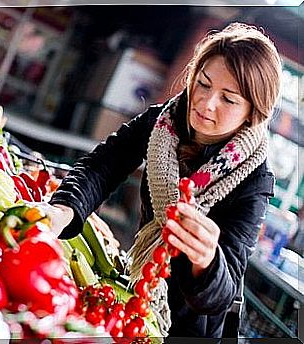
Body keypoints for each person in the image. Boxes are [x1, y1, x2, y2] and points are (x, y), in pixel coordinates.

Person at [41, 22, 282, 338]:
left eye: (229, 99)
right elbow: (102, 166)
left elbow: (223, 291)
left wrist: (208, 260)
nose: (206, 103)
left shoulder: (255, 178)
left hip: (190, 329)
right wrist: (63, 210)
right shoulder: (162, 124)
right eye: (203, 84)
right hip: (136, 296)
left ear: (253, 112)